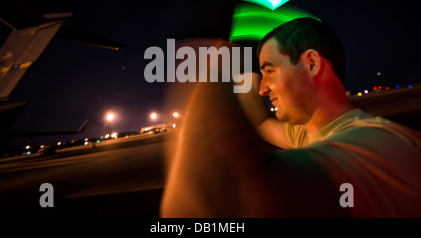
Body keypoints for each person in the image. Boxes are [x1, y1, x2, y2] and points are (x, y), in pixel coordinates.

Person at [160, 17, 421, 217]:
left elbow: (221, 200)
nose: (262, 89)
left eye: (270, 71)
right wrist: (246, 76)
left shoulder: (379, 144)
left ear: (311, 64)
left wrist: (213, 52)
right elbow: (263, 123)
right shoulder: (309, 134)